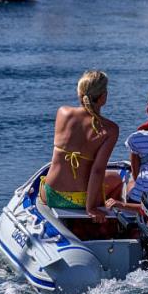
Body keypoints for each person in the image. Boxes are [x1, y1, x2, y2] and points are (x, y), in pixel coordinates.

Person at [40, 70, 119, 223]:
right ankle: (108, 226)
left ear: (79, 93)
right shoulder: (110, 129)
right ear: (103, 97)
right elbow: (97, 171)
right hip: (80, 200)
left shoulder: (63, 113)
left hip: (51, 194)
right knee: (116, 178)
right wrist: (90, 208)